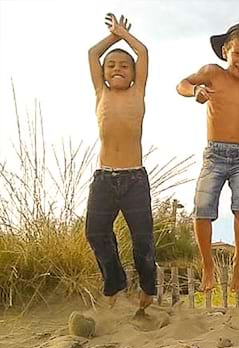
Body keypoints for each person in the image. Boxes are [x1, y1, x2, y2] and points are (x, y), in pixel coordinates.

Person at [176, 23, 239, 292]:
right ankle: (208, 264)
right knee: (201, 209)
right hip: (215, 153)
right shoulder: (211, 73)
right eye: (238, 54)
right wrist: (194, 92)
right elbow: (182, 84)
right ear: (226, 51)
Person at [86, 13, 156, 311]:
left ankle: (148, 288)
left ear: (133, 74)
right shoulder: (100, 92)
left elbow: (142, 53)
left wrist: (124, 34)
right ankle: (114, 282)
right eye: (111, 65)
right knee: (95, 231)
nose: (118, 68)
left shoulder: (137, 92)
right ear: (102, 73)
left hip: (134, 179)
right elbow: (92, 53)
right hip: (104, 177)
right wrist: (113, 37)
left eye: (124, 66)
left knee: (142, 238)